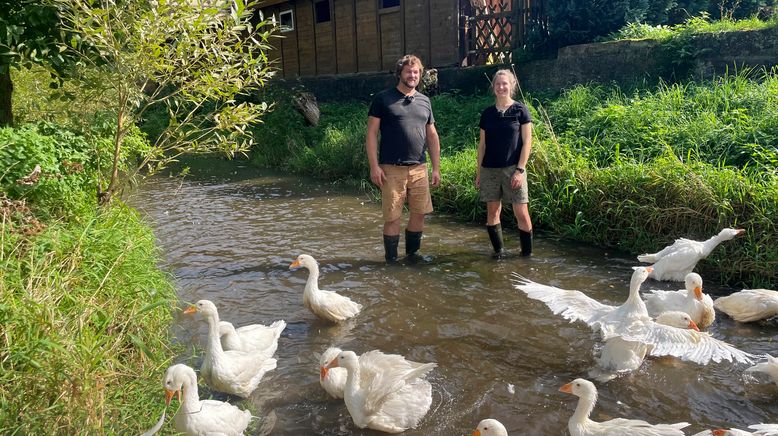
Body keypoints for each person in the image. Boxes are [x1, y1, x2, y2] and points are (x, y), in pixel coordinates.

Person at [366, 54, 441, 262]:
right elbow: (371, 134)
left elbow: (432, 135)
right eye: (409, 71)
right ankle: (391, 260)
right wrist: (374, 166)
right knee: (393, 217)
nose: (413, 75)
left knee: (419, 214)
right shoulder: (383, 99)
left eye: (416, 72)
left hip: (419, 168)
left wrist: (436, 168)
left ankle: (412, 256)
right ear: (400, 73)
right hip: (391, 169)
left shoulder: (425, 101)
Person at [475, 69, 533, 258]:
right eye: (498, 84)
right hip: (489, 169)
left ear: (512, 86)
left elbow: (527, 142)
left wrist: (520, 169)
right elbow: (482, 146)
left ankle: (526, 255)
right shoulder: (487, 114)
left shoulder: (520, 110)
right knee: (492, 213)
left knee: (521, 213)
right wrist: (479, 173)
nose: (501, 87)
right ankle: (498, 252)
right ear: (493, 88)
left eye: (505, 84)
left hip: (513, 169)